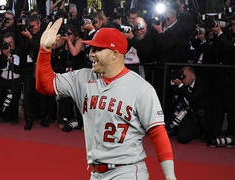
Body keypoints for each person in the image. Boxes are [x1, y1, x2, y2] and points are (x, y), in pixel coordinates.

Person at [36, 18, 176, 180]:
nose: (91, 54)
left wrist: (170, 176)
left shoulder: (141, 89)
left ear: (115, 55)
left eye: (97, 49)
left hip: (127, 171)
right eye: (91, 48)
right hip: (96, 173)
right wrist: (44, 50)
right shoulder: (82, 78)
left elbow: (157, 132)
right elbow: (45, 85)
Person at [168, 66, 209, 144]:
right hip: (186, 114)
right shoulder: (183, 85)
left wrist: (181, 86)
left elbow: (193, 99)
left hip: (199, 115)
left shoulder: (201, 84)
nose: (183, 79)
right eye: (182, 76)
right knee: (181, 136)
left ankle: (197, 131)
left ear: (192, 76)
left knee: (183, 138)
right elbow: (177, 100)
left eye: (185, 76)